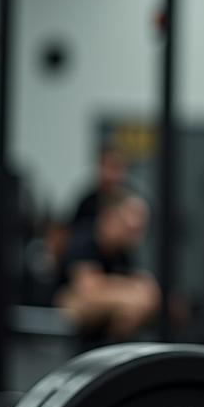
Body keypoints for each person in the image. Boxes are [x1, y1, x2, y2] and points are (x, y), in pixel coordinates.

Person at [53, 188, 160, 341]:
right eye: (129, 227)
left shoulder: (122, 252)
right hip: (69, 309)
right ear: (110, 218)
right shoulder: (84, 240)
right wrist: (131, 291)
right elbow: (87, 289)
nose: (135, 235)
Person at [71, 142, 129, 227]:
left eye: (114, 167)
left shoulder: (134, 202)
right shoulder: (87, 204)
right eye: (106, 166)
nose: (109, 174)